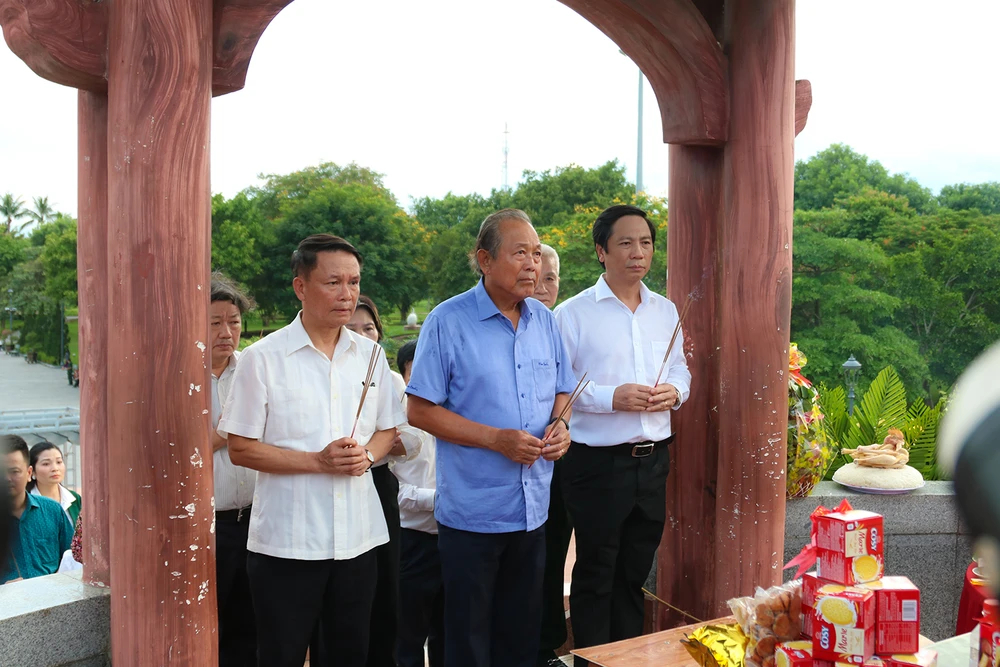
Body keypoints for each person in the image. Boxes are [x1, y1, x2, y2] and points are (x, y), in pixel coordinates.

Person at [219, 234, 405, 667]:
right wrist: (318, 462)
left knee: (349, 655)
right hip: (287, 544)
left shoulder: (371, 355)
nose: (348, 294)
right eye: (333, 282)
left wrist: (368, 456)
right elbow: (241, 448)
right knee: (280, 655)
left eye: (354, 282)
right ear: (301, 287)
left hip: (359, 539)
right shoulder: (262, 359)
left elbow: (385, 431)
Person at [406, 209, 577, 667]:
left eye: (536, 254)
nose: (532, 265)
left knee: (521, 637)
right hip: (473, 515)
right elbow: (419, 409)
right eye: (519, 252)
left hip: (532, 509)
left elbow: (564, 387)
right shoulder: (448, 321)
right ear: (484, 259)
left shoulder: (543, 319)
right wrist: (495, 439)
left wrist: (561, 424)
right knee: (468, 640)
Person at [554, 205, 691, 659]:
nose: (638, 253)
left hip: (653, 460)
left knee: (634, 573)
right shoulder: (573, 314)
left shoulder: (665, 309)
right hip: (595, 463)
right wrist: (612, 397)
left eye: (646, 243)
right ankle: (592, 659)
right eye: (626, 243)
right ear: (601, 251)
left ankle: (628, 658)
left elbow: (680, 370)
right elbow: (559, 385)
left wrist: (674, 391)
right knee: (596, 573)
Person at [345, 294, 418, 667]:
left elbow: (410, 440)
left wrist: (382, 446)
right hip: (338, 484)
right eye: (352, 329)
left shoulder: (390, 379)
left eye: (369, 328)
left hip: (379, 484)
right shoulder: (332, 375)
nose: (362, 336)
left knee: (387, 586)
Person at [209, 272, 258, 667]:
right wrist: (230, 428)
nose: (227, 332)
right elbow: (177, 450)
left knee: (256, 622)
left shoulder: (254, 369)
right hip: (210, 526)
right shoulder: (178, 380)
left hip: (260, 519)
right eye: (215, 323)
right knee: (214, 623)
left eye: (234, 321)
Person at [532, 245, 572, 667]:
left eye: (552, 278)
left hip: (559, 459)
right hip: (506, 461)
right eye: (536, 275)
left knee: (552, 553)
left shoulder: (563, 324)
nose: (543, 287)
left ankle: (545, 644)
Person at [392, 340, 444, 667]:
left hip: (454, 537)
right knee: (407, 634)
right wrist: (439, 500)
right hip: (411, 541)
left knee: (450, 631)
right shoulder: (392, 424)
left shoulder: (457, 414)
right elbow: (392, 493)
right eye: (417, 371)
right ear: (404, 374)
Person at [2, 435, 73, 584]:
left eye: (14, 471)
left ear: (29, 473)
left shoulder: (53, 511)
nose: (7, 478)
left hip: (54, 601)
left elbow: (73, 560)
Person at [28, 441, 82, 525]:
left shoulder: (75, 499)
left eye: (59, 462)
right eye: (46, 464)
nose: (55, 468)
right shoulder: (25, 502)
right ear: (32, 471)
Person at [532, 244, 561, 310]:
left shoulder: (564, 318)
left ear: (558, 282)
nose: (541, 290)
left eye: (549, 279)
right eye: (533, 279)